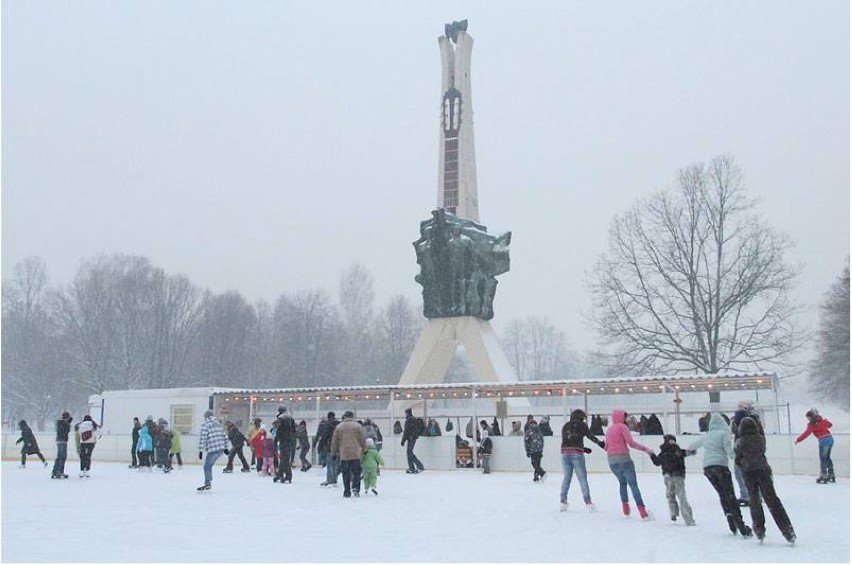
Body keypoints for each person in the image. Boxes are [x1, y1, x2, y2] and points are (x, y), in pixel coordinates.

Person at [689, 413, 752, 537]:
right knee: (730, 496)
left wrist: (691, 451)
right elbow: (730, 452)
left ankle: (731, 522)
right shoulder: (724, 434)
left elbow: (692, 446)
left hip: (708, 469)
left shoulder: (708, 435)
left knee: (723, 495)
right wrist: (740, 462)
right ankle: (741, 526)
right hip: (720, 467)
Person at [736, 416, 796, 543]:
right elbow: (762, 450)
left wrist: (742, 462)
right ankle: (788, 530)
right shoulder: (761, 439)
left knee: (754, 500)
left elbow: (737, 457)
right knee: (773, 500)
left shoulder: (741, 441)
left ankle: (759, 529)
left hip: (749, 472)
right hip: (763, 470)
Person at [604, 409, 655, 520]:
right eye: (625, 417)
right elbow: (631, 443)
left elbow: (606, 447)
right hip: (624, 459)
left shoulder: (609, 430)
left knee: (622, 483)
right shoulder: (623, 427)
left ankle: (626, 511)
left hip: (612, 461)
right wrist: (646, 449)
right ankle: (643, 513)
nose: (626, 419)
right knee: (633, 485)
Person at [559, 409, 605, 511]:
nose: (583, 421)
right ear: (580, 417)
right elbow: (590, 436)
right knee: (582, 478)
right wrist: (600, 443)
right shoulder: (582, 425)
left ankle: (563, 500)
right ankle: (588, 502)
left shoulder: (565, 426)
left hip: (564, 453)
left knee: (567, 477)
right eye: (583, 418)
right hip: (576, 454)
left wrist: (583, 449)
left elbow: (569, 441)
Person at [650, 434, 696, 526]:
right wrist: (692, 450)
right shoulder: (677, 450)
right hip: (678, 475)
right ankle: (689, 519)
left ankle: (673, 513)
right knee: (682, 497)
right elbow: (689, 452)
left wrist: (651, 454)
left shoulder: (663, 452)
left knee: (670, 495)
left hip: (667, 476)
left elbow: (657, 462)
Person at [331, 410, 367, 498]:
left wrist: (333, 452)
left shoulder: (339, 427)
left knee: (345, 473)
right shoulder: (358, 426)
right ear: (352, 416)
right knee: (356, 472)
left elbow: (335, 441)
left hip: (344, 454)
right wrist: (364, 449)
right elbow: (362, 438)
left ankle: (347, 491)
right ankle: (355, 487)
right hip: (355, 453)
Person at [731, 400, 761, 505]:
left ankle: (747, 495)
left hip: (744, 450)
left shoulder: (746, 420)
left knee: (741, 472)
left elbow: (736, 431)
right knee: (750, 473)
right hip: (751, 451)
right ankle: (754, 495)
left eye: (740, 407)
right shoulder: (754, 420)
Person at [795, 409, 834, 483]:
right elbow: (830, 425)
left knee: (823, 458)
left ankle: (824, 475)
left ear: (810, 417)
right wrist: (826, 421)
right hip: (830, 439)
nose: (807, 419)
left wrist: (798, 439)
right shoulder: (822, 420)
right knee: (827, 457)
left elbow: (807, 433)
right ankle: (831, 474)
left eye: (808, 418)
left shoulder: (811, 424)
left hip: (823, 441)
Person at [197, 410, 229, 491]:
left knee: (207, 466)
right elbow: (225, 436)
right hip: (221, 449)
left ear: (206, 417)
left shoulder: (205, 425)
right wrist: (226, 448)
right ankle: (208, 482)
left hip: (213, 449)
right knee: (209, 466)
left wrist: (200, 451)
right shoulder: (218, 424)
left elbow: (202, 439)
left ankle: (208, 483)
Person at [272, 406, 296, 484]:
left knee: (284, 459)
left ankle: (288, 476)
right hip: (289, 440)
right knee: (284, 458)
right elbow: (294, 430)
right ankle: (280, 474)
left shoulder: (281, 419)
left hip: (283, 440)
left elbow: (279, 431)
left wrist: (275, 441)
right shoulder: (291, 419)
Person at [320, 411, 341, 486]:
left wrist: (322, 444)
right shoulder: (339, 423)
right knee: (336, 463)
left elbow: (324, 435)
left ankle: (329, 479)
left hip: (329, 445)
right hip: (339, 446)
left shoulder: (328, 424)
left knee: (329, 463)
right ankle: (335, 479)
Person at [401, 407, 425, 474]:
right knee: (409, 452)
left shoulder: (409, 420)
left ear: (407, 413)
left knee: (409, 452)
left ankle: (419, 465)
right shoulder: (413, 419)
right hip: (413, 437)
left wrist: (403, 441)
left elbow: (406, 431)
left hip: (411, 438)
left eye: (405, 413)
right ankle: (412, 467)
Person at [51, 411, 73, 479]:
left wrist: (68, 423)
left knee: (59, 457)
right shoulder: (62, 423)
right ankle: (59, 471)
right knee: (62, 457)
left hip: (60, 441)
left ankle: (55, 471)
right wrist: (68, 424)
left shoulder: (59, 423)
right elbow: (65, 431)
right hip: (62, 441)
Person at [523, 418, 546, 483]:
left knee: (534, 463)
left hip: (533, 449)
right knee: (537, 463)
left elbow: (526, 442)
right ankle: (536, 477)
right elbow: (542, 441)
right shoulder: (539, 431)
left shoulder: (529, 431)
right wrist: (541, 449)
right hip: (539, 449)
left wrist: (527, 450)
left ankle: (542, 473)